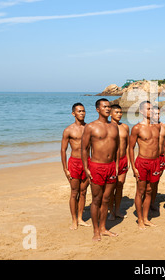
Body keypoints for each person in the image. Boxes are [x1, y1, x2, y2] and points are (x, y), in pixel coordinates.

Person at [81, 98, 120, 241]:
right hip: (97, 166)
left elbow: (117, 149)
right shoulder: (91, 127)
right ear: (98, 109)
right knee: (96, 199)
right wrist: (86, 168)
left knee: (106, 199)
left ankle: (103, 228)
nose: (108, 109)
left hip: (111, 166)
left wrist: (115, 166)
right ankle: (96, 230)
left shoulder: (114, 127)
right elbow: (84, 149)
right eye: (104, 107)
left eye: (109, 106)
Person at [129, 101, 161, 229]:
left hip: (155, 162)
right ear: (141, 111)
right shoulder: (137, 128)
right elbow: (130, 148)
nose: (151, 111)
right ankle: (140, 219)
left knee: (149, 190)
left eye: (152, 109)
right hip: (142, 162)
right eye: (148, 109)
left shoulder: (157, 127)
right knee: (140, 191)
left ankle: (146, 218)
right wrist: (133, 166)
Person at [60, 103, 91, 230]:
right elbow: (63, 150)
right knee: (74, 192)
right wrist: (65, 169)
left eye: (83, 111)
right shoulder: (68, 130)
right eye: (79, 111)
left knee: (83, 192)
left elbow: (95, 146)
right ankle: (74, 220)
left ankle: (80, 218)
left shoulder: (89, 128)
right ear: (73, 113)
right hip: (74, 163)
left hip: (87, 162)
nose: (82, 113)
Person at [109, 104, 130, 220]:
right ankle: (111, 211)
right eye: (116, 112)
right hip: (111, 162)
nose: (119, 114)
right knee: (110, 187)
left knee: (120, 185)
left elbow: (127, 145)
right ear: (111, 113)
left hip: (123, 160)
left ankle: (117, 210)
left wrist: (128, 159)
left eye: (120, 112)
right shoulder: (107, 127)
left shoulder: (125, 127)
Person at [149, 106, 165, 212]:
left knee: (156, 182)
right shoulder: (148, 127)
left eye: (159, 114)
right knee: (146, 183)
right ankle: (145, 201)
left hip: (160, 157)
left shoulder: (164, 126)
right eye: (155, 114)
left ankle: (152, 202)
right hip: (150, 158)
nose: (157, 116)